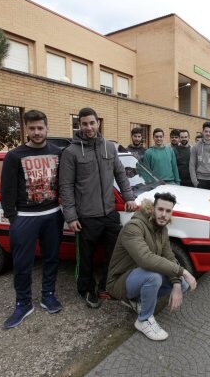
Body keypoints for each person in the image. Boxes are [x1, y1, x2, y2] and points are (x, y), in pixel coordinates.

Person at [59, 107, 136, 308]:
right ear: (79, 125)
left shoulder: (109, 147)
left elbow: (120, 174)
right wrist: (71, 216)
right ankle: (86, 289)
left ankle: (105, 286)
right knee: (85, 258)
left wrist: (128, 197)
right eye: (84, 123)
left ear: (98, 123)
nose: (89, 127)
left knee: (114, 254)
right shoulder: (71, 152)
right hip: (86, 217)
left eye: (92, 123)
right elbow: (65, 186)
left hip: (109, 213)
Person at [0, 109, 64, 329]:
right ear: (26, 129)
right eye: (32, 128)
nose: (37, 132)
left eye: (40, 128)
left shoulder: (58, 152)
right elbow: (6, 190)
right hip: (24, 217)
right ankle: (23, 303)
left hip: (52, 215)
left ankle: (48, 295)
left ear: (47, 128)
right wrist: (13, 218)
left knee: (51, 259)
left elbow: (64, 183)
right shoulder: (14, 156)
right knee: (22, 263)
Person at [106, 192, 197, 341]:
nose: (164, 215)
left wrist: (176, 283)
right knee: (153, 277)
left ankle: (139, 301)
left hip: (139, 275)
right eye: (160, 209)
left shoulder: (162, 230)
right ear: (152, 208)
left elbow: (169, 257)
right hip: (119, 282)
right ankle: (143, 320)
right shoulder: (134, 227)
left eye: (168, 211)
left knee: (183, 284)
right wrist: (183, 271)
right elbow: (145, 260)